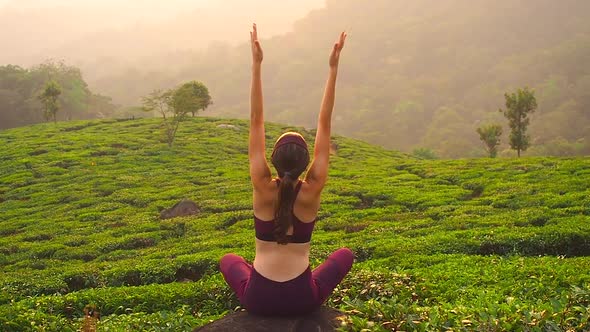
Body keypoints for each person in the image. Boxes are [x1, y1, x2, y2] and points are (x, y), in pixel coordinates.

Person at [219, 24, 353, 316]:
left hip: (258, 299)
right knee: (344, 255)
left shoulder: (262, 184)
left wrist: (256, 65)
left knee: (229, 259)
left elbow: (255, 120)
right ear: (307, 163)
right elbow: (324, 124)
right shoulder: (313, 188)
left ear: (273, 159)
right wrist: (333, 68)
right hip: (302, 299)